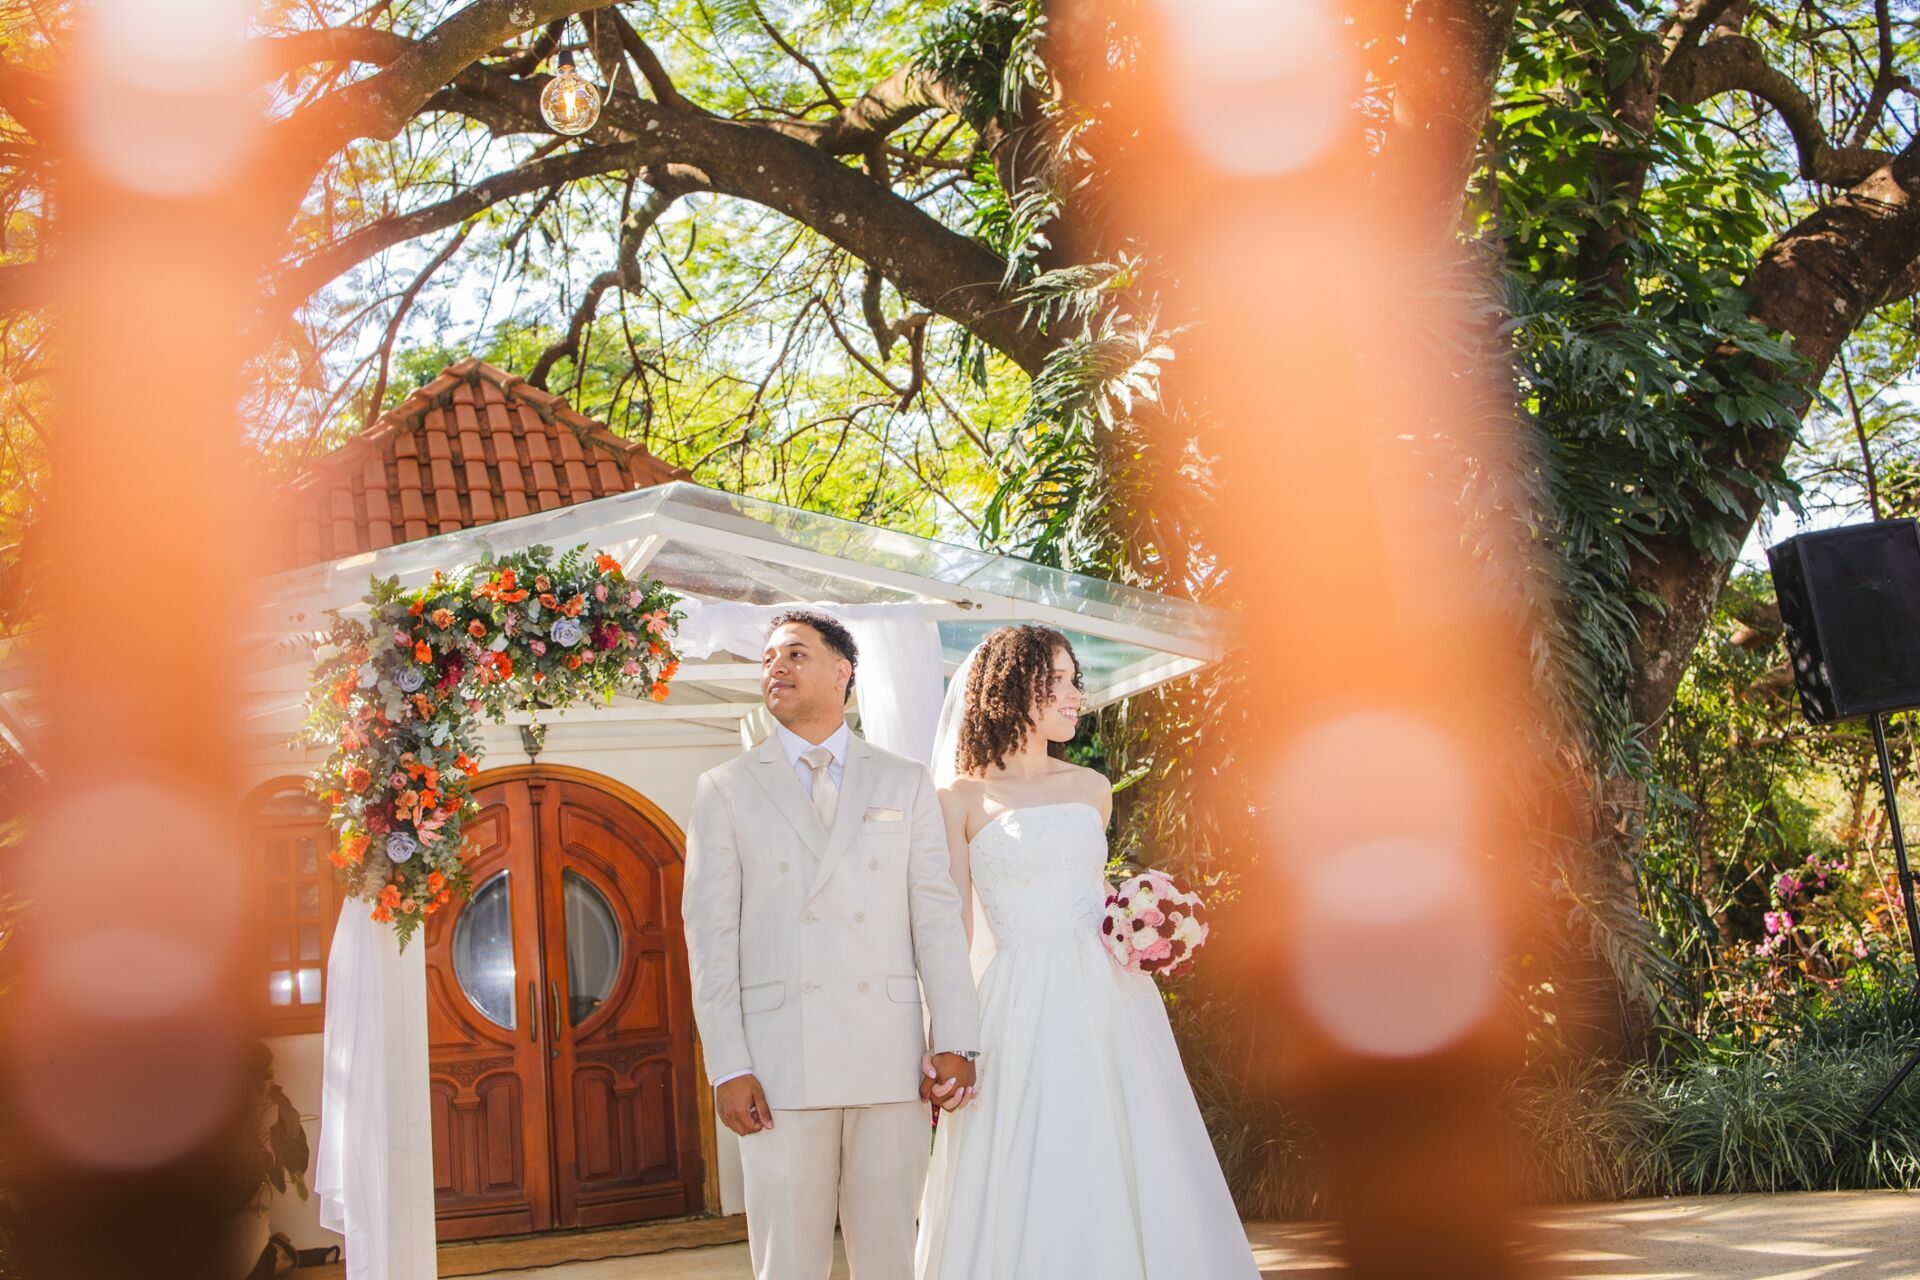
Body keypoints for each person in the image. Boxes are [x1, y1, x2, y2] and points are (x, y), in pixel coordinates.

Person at [915, 624, 1260, 1279]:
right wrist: (945, 1036)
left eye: (1078, 680)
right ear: (1015, 687)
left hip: (1110, 997)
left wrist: (1145, 921)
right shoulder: (957, 799)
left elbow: (1092, 893)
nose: (1079, 694)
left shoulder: (1090, 789)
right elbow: (952, 929)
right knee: (1036, 1149)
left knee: (1127, 1147)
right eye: (1063, 680)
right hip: (1019, 1003)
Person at [682, 609, 980, 1280]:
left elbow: (935, 917)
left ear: (843, 671)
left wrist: (956, 1039)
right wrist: (727, 1066)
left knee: (889, 1257)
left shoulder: (903, 781)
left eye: (793, 654)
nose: (775, 668)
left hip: (891, 1057)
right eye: (767, 660)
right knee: (787, 1261)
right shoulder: (724, 789)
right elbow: (709, 939)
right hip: (778, 1065)